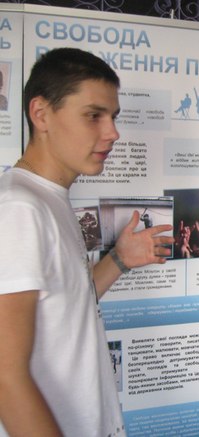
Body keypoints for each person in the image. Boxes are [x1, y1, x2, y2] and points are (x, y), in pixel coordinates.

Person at [0, 47, 174, 437]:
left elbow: (66, 304)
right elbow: (5, 377)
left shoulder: (46, 198)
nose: (112, 132)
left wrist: (119, 259)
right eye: (94, 115)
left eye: (113, 116)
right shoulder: (19, 208)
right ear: (41, 114)